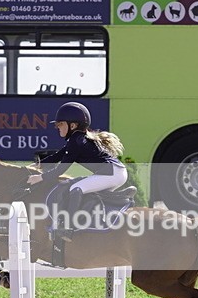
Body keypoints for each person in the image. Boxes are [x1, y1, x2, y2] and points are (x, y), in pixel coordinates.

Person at [27, 101, 127, 238]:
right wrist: (37, 165)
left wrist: (40, 177)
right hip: (115, 172)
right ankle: (99, 213)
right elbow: (58, 155)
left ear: (73, 125)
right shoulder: (76, 139)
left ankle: (68, 228)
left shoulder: (77, 141)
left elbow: (61, 169)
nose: (58, 128)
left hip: (112, 174)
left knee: (76, 188)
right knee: (76, 186)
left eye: (60, 124)